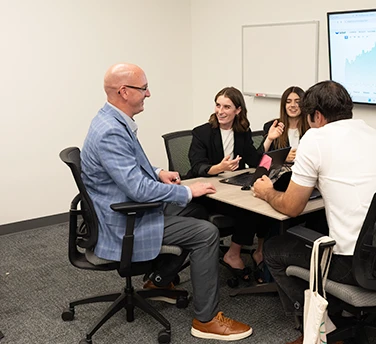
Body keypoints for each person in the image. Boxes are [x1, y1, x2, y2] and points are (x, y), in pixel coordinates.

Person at [80, 63, 252, 341]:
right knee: (206, 232)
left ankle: (160, 279)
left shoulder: (112, 120)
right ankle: (206, 320)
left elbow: (133, 166)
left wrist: (159, 173)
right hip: (125, 221)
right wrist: (186, 191)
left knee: (195, 211)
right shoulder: (111, 131)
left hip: (125, 208)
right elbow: (137, 189)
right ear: (124, 92)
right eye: (144, 88)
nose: (148, 94)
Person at [253, 81, 376, 344]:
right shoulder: (375, 135)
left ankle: (320, 326)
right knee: (319, 230)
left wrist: (265, 191)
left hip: (354, 265)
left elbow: (291, 207)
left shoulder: (316, 138)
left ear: (317, 116)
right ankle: (337, 311)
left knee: (275, 249)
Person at [186, 87, 268, 283]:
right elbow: (197, 166)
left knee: (260, 203)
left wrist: (270, 140)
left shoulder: (242, 132)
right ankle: (233, 254)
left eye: (227, 107)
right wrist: (218, 167)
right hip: (206, 192)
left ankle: (247, 252)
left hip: (228, 187)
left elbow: (254, 160)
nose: (220, 111)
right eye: (218, 105)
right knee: (247, 209)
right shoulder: (202, 133)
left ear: (238, 110)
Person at [262, 86, 309, 162]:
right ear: (284, 105)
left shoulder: (311, 128)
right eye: (288, 101)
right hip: (282, 172)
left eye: (297, 102)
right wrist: (282, 158)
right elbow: (262, 160)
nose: (293, 105)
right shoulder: (273, 126)